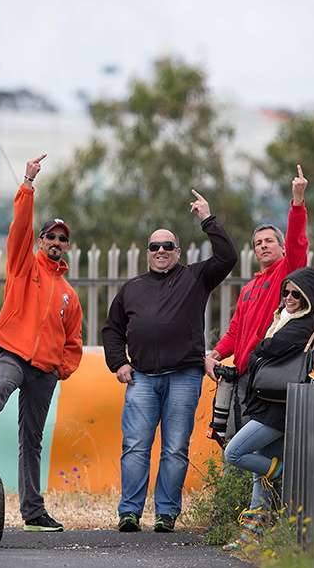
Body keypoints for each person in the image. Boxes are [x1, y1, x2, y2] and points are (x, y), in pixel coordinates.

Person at [0, 153, 84, 532]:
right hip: (13, 353)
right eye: (51, 236)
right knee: (1, 386)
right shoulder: (23, 265)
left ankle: (33, 512)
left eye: (63, 239)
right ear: (41, 240)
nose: (57, 242)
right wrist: (28, 184)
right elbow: (19, 228)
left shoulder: (68, 294)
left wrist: (61, 368)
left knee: (31, 440)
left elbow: (74, 340)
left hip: (44, 370)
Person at [102, 189, 238, 532]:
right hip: (142, 378)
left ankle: (166, 514)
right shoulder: (131, 288)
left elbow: (227, 256)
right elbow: (111, 329)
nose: (160, 251)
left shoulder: (195, 277)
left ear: (178, 252)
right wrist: (119, 363)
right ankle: (129, 512)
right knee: (135, 447)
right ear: (147, 253)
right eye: (154, 247)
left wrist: (207, 217)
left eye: (167, 246)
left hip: (184, 377)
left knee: (175, 449)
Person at [221, 266, 314, 553]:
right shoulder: (283, 318)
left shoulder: (304, 324)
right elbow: (264, 348)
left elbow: (271, 347)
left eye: (296, 293)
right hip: (267, 400)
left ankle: (281, 473)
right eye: (286, 292)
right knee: (259, 473)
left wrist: (259, 349)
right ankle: (252, 534)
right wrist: (260, 349)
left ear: (308, 297)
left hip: (278, 407)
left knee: (235, 452)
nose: (289, 297)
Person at [204, 164, 309, 443]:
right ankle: (239, 489)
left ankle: (270, 481)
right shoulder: (249, 287)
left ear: (282, 247)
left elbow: (298, 244)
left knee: (249, 448)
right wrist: (215, 354)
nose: (263, 246)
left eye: (269, 241)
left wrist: (297, 202)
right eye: (258, 243)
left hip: (267, 375)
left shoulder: (286, 275)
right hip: (241, 377)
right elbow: (235, 331)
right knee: (230, 441)